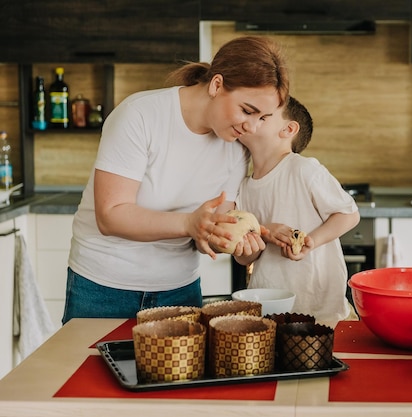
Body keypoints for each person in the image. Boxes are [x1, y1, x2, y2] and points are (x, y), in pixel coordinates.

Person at [62, 36, 289, 324]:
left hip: (179, 291)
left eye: (263, 118)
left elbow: (213, 229)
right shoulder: (140, 115)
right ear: (216, 85)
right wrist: (188, 223)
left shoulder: (235, 145)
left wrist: (243, 248)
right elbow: (111, 216)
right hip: (104, 287)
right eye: (247, 111)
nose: (251, 127)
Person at [235, 96, 360, 328]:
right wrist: (261, 233)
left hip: (320, 311)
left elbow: (349, 214)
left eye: (262, 116)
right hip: (269, 310)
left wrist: (312, 241)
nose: (248, 120)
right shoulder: (242, 188)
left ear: (288, 129)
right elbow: (244, 257)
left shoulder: (303, 169)